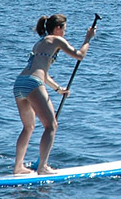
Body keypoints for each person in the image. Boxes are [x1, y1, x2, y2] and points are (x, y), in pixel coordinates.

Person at [12, 13, 95, 175]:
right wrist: (88, 39)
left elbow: (42, 72)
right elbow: (79, 55)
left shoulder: (40, 43)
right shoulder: (56, 40)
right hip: (33, 83)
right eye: (64, 29)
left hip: (20, 82)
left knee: (28, 127)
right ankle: (42, 167)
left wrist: (58, 89)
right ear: (58, 28)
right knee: (51, 126)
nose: (65, 33)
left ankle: (18, 167)